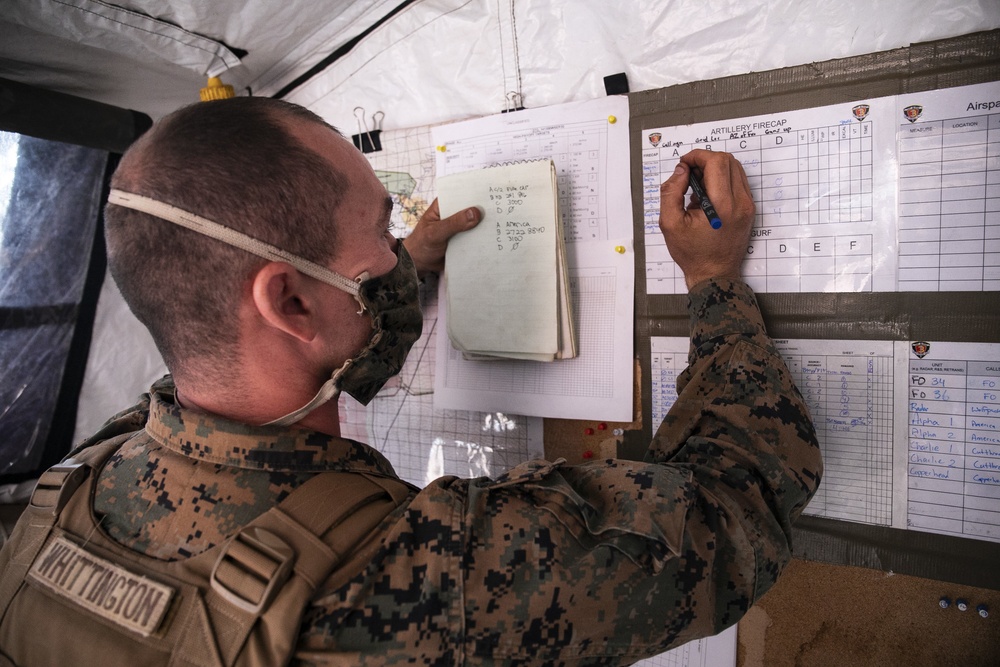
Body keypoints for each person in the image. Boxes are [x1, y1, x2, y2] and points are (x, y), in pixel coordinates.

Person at [0, 97, 821, 665]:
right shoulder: (421, 581)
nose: (396, 251)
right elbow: (738, 509)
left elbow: (284, 355)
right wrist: (713, 282)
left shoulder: (76, 483)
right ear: (290, 300)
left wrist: (398, 274)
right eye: (381, 234)